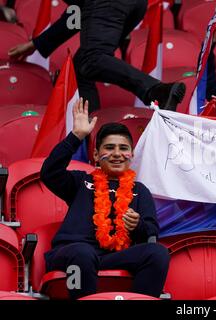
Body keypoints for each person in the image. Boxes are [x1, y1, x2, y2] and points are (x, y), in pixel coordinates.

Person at [40, 98, 170, 299]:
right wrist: (76, 136)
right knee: (82, 253)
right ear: (95, 154)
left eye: (123, 148)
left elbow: (150, 233)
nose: (117, 154)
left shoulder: (140, 190)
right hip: (72, 253)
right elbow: (49, 173)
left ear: (132, 154)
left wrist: (137, 226)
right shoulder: (80, 181)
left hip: (116, 256)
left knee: (158, 254)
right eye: (109, 148)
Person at [8, 0, 185, 113]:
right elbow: (78, 11)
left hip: (108, 3)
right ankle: (88, 131)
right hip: (133, 5)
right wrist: (38, 44)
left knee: (92, 59)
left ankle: (157, 90)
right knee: (82, 68)